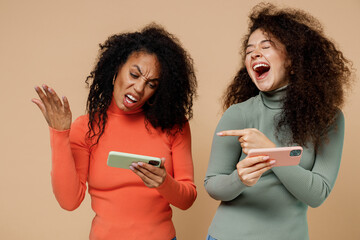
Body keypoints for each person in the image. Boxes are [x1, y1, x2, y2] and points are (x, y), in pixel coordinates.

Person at [32, 24, 197, 240]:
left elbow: (188, 198)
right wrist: (59, 133)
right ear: (116, 68)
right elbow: (69, 201)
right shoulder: (86, 127)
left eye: (151, 84)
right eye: (134, 75)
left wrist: (164, 182)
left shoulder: (174, 125)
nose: (139, 88)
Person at [204, 3, 353, 240]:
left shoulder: (328, 119)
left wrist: (270, 152)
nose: (254, 53)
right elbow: (212, 184)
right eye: (249, 50)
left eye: (266, 46)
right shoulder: (238, 114)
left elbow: (317, 194)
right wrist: (238, 179)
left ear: (292, 60)